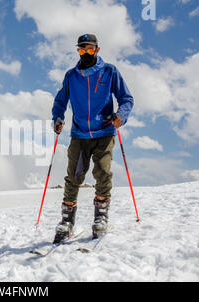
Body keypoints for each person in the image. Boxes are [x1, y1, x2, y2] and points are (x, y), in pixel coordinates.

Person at [51, 34, 134, 243]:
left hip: (104, 133)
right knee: (74, 177)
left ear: (97, 50)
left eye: (89, 50)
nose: (85, 53)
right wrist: (58, 117)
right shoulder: (71, 76)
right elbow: (60, 101)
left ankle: (101, 218)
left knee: (102, 172)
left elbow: (126, 98)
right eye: (81, 50)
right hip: (79, 135)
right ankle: (67, 222)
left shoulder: (109, 71)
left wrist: (121, 116)